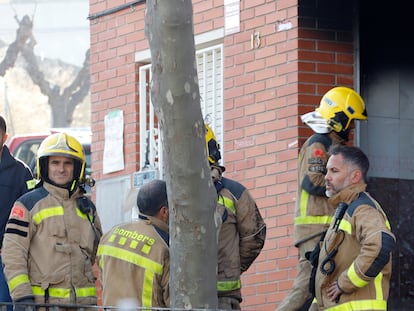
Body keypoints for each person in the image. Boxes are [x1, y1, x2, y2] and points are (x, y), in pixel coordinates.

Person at [277, 86, 368, 311]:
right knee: (306, 287)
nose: (353, 128)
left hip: (327, 228)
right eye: (351, 121)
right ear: (338, 118)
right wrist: (347, 185)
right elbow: (312, 181)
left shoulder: (333, 146)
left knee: (322, 290)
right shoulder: (319, 143)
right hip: (314, 228)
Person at [2, 132, 102, 311]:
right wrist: (22, 296)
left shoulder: (87, 208)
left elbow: (95, 253)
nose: (61, 169)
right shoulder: (28, 204)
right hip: (43, 306)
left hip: (83, 306)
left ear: (77, 167)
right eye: (55, 163)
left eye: (67, 163)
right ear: (45, 166)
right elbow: (12, 253)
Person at [313, 144, 395, 310]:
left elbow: (380, 244)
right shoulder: (344, 210)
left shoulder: (362, 208)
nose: (326, 177)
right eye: (327, 171)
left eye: (334, 171)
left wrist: (345, 283)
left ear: (355, 176)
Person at [205, 124, 267, 310]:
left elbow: (254, 237)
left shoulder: (234, 193)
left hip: (217, 297)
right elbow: (255, 237)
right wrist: (231, 268)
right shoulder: (234, 192)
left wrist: (232, 267)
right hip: (218, 296)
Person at [96, 179, 170, 309]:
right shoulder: (163, 246)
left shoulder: (110, 235)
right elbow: (173, 300)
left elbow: (103, 280)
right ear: (164, 211)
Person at [0, 116, 35, 311]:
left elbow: (30, 210)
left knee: (6, 304)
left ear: (4, 137)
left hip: (6, 256)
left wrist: (8, 245)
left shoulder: (21, 172)